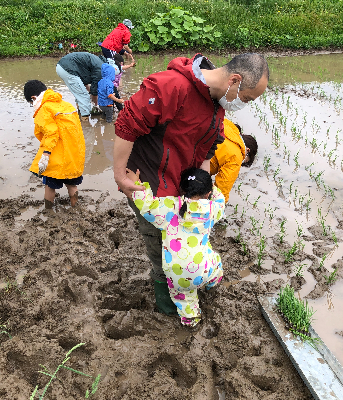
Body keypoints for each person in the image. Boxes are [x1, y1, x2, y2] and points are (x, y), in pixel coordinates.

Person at [114, 53, 269, 314]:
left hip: (183, 188)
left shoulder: (217, 104)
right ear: (235, 80)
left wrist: (204, 192)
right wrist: (120, 175)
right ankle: (166, 301)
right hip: (151, 187)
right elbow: (126, 124)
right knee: (158, 244)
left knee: (186, 240)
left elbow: (209, 149)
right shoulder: (171, 86)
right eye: (247, 98)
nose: (244, 104)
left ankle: (188, 279)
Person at [131, 168, 225, 327]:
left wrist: (137, 184)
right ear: (207, 194)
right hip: (203, 269)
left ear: (181, 189)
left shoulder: (170, 207)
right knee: (215, 260)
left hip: (177, 274)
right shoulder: (212, 209)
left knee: (185, 300)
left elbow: (147, 206)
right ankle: (213, 282)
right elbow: (220, 199)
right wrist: (213, 188)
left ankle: (191, 320)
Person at [24, 80, 85, 208]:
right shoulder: (67, 105)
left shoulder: (44, 109)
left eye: (31, 103)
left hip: (55, 156)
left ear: (33, 98)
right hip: (72, 155)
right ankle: (75, 208)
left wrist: (46, 155)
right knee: (72, 185)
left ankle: (49, 211)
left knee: (50, 186)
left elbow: (51, 133)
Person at [210, 118, 258, 203]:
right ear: (247, 150)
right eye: (245, 160)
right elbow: (222, 189)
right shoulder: (236, 156)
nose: (241, 161)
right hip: (191, 166)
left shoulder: (227, 127)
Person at [56, 52, 108, 120]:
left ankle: (79, 115)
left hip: (62, 66)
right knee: (84, 97)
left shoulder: (97, 62)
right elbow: (94, 91)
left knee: (80, 94)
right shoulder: (100, 69)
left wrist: (91, 93)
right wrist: (96, 104)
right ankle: (86, 124)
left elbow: (84, 83)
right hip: (68, 69)